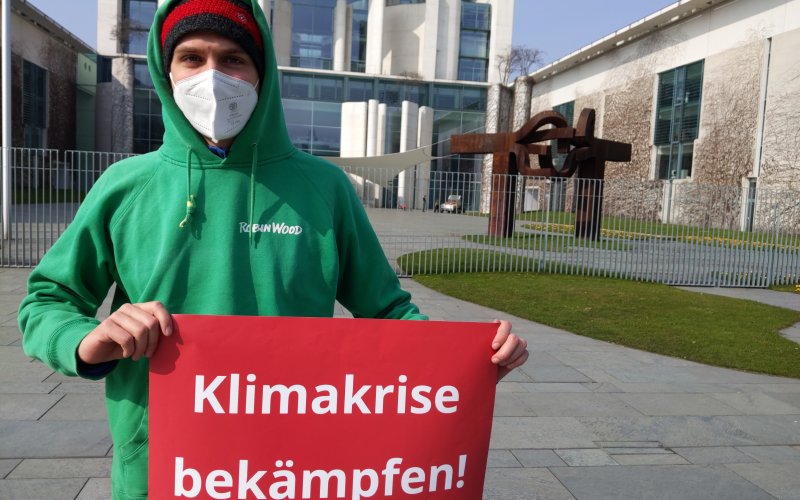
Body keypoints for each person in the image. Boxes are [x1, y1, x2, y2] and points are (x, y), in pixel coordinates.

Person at [17, 1, 528, 498]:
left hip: (295, 467)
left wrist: (462, 364)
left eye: (233, 59)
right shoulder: (125, 187)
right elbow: (47, 301)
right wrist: (87, 340)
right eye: (192, 57)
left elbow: (388, 309)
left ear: (262, 74)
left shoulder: (324, 188)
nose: (212, 75)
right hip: (162, 469)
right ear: (165, 69)